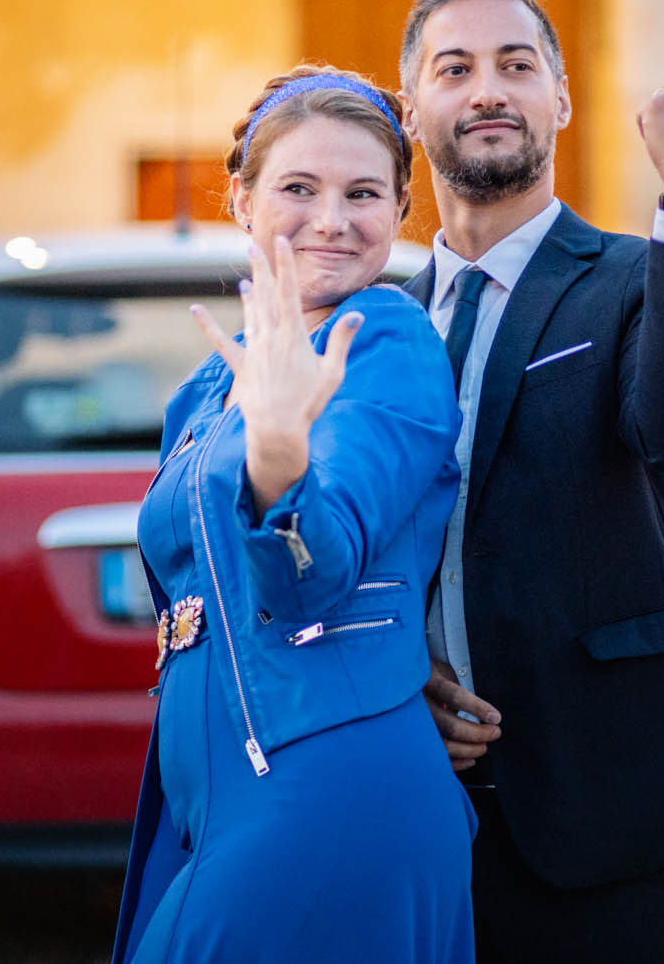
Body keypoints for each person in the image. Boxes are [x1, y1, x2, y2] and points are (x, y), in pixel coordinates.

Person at [398, 0, 664, 964]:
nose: (486, 88)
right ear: (411, 106)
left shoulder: (630, 278)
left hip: (609, 806)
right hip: (419, 808)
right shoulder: (383, 323)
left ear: (559, 98)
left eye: (514, 64)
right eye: (455, 67)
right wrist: (401, 674)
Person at [113, 67, 475, 964]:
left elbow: (325, 558)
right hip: (209, 799)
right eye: (299, 188)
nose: (331, 219)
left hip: (323, 789)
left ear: (399, 209)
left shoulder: (386, 340)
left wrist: (280, 461)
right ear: (241, 197)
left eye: (362, 193)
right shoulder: (206, 387)